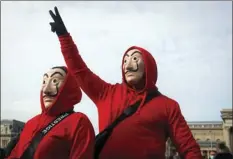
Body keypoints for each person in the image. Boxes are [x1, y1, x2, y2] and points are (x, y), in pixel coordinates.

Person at [49, 6, 202, 159]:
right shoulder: (106, 93)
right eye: (125, 60)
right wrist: (63, 36)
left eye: (135, 58)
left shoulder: (168, 106)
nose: (128, 65)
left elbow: (190, 149)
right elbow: (79, 70)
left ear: (148, 64)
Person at [6, 66, 95, 159]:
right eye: (44, 82)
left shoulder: (79, 122)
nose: (46, 90)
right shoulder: (30, 123)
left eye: (55, 81)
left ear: (69, 86)